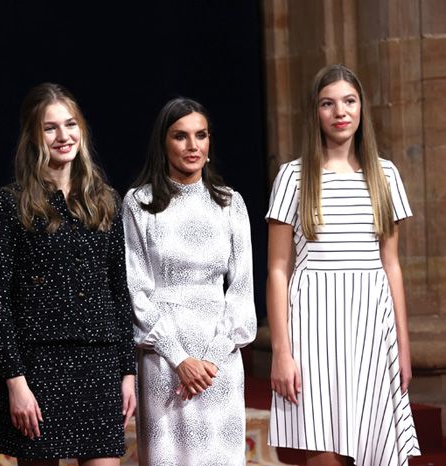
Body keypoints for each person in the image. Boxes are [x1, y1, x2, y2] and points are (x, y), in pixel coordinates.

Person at [266, 64, 422, 465]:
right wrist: (281, 351)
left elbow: (392, 266)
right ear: (315, 112)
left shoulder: (384, 174)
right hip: (313, 326)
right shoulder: (294, 176)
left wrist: (403, 346)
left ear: (361, 108)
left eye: (349, 101)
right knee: (324, 450)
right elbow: (278, 270)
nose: (340, 112)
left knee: (375, 446)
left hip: (371, 324)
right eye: (328, 103)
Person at [0, 82, 136, 466]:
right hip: (38, 367)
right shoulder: (10, 202)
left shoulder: (106, 200)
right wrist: (14, 382)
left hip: (99, 363)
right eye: (50, 127)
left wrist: (127, 371)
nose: (63, 136)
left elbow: (120, 291)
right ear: (33, 136)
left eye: (70, 124)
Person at [123, 97, 257, 465]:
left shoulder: (231, 203)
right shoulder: (139, 203)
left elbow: (242, 288)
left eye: (201, 135)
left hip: (220, 362)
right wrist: (179, 357)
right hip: (165, 359)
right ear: (163, 143)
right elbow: (135, 288)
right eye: (181, 136)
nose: (193, 145)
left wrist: (211, 359)